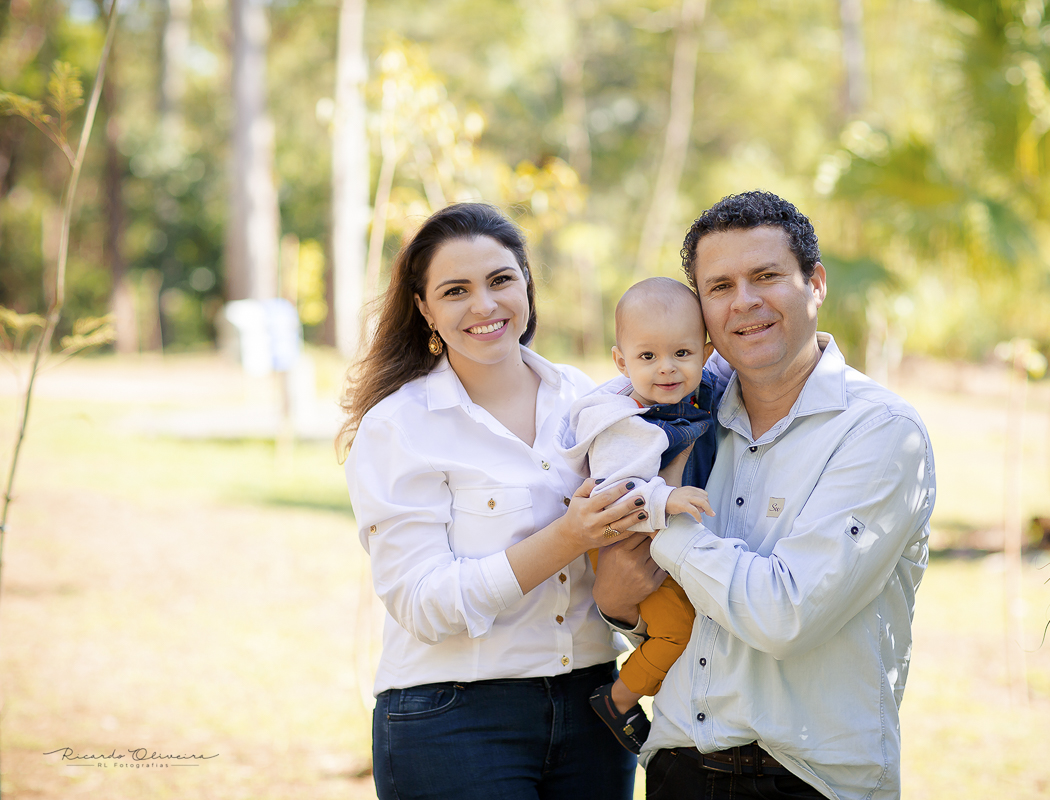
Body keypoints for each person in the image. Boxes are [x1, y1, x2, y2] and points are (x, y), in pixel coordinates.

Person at [593, 191, 936, 800]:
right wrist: (620, 605)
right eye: (720, 286)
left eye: (767, 276)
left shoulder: (880, 433)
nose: (744, 301)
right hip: (678, 766)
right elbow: (653, 600)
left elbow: (785, 617)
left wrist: (656, 517)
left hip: (805, 779)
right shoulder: (681, 419)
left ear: (816, 284)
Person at [339, 202, 646, 800]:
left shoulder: (588, 399)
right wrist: (568, 536)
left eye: (500, 280)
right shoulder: (399, 427)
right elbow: (422, 604)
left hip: (595, 709)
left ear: (526, 283)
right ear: (424, 308)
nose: (484, 305)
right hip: (454, 720)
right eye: (455, 290)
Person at [556, 277, 718, 754]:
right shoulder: (622, 422)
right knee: (678, 631)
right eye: (648, 356)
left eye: (682, 353)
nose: (666, 367)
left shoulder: (688, 397)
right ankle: (619, 699)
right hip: (625, 546)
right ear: (622, 361)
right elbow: (612, 492)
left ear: (707, 354)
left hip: (655, 546)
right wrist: (665, 499)